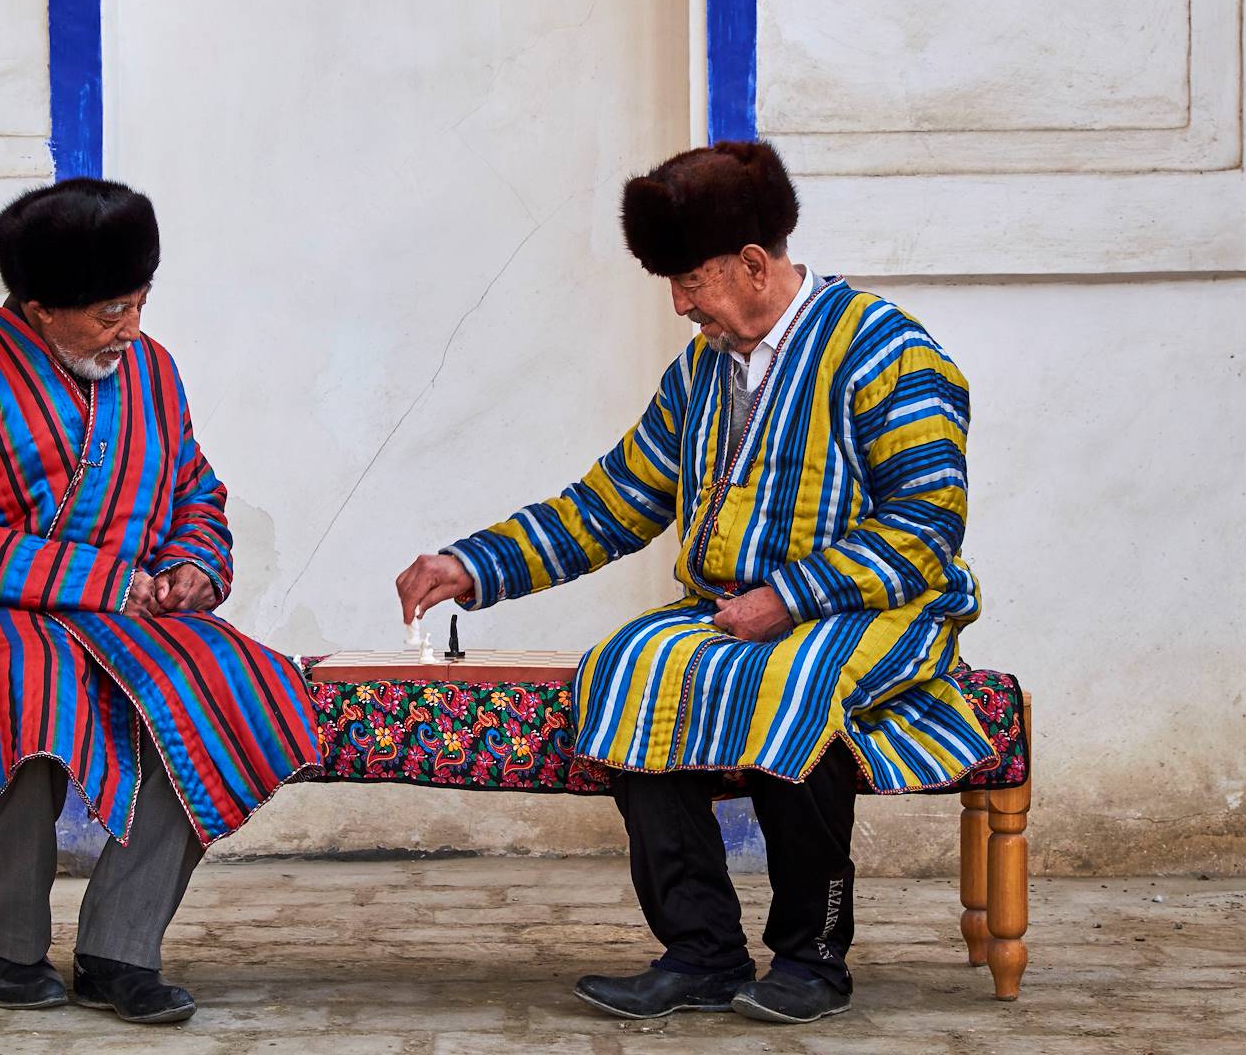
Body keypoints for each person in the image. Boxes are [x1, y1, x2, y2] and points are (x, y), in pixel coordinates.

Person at [396, 141, 994, 1026]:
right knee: (627, 669)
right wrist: (470, 565)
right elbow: (608, 504)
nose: (681, 306)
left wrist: (791, 598)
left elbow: (927, 528)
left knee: (795, 684)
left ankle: (813, 956)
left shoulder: (889, 352)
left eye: (691, 283)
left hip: (877, 604)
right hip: (733, 611)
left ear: (754, 264)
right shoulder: (699, 376)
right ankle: (703, 951)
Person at [0, 178, 320, 1024]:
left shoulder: (152, 368)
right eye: (109, 312)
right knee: (36, 690)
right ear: (39, 307)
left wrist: (196, 562)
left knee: (236, 683)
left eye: (140, 305)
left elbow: (194, 489)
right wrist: (96, 580)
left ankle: (120, 946)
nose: (131, 330)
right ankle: (6, 941)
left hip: (133, 618)